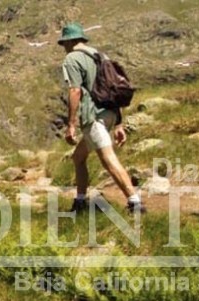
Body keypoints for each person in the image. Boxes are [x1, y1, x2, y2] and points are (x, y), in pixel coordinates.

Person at [57, 23, 145, 214]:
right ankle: (80, 201)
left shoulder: (72, 58)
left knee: (108, 158)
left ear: (70, 41)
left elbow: (75, 91)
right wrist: (118, 123)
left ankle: (135, 202)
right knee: (78, 157)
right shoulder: (99, 55)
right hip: (110, 113)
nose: (64, 47)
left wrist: (71, 124)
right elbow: (112, 88)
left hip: (94, 116)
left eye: (64, 43)